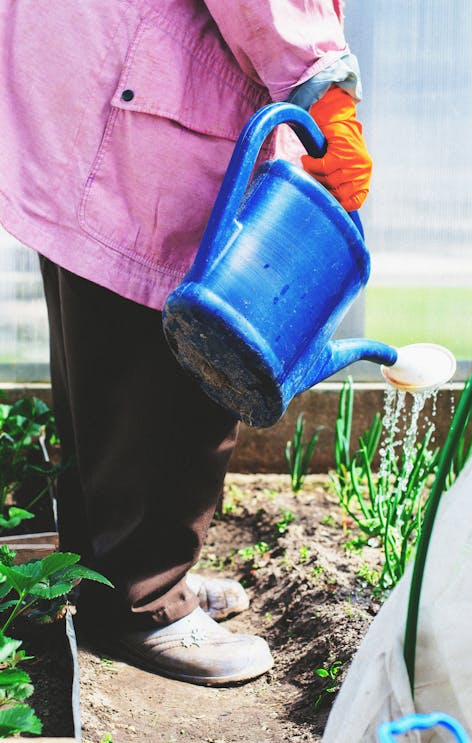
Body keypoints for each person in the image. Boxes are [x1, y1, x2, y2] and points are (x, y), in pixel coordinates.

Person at [0, 1, 371, 686]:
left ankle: (109, 574)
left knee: (102, 348)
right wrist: (321, 81)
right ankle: (148, 604)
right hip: (142, 93)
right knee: (171, 362)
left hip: (90, 70)